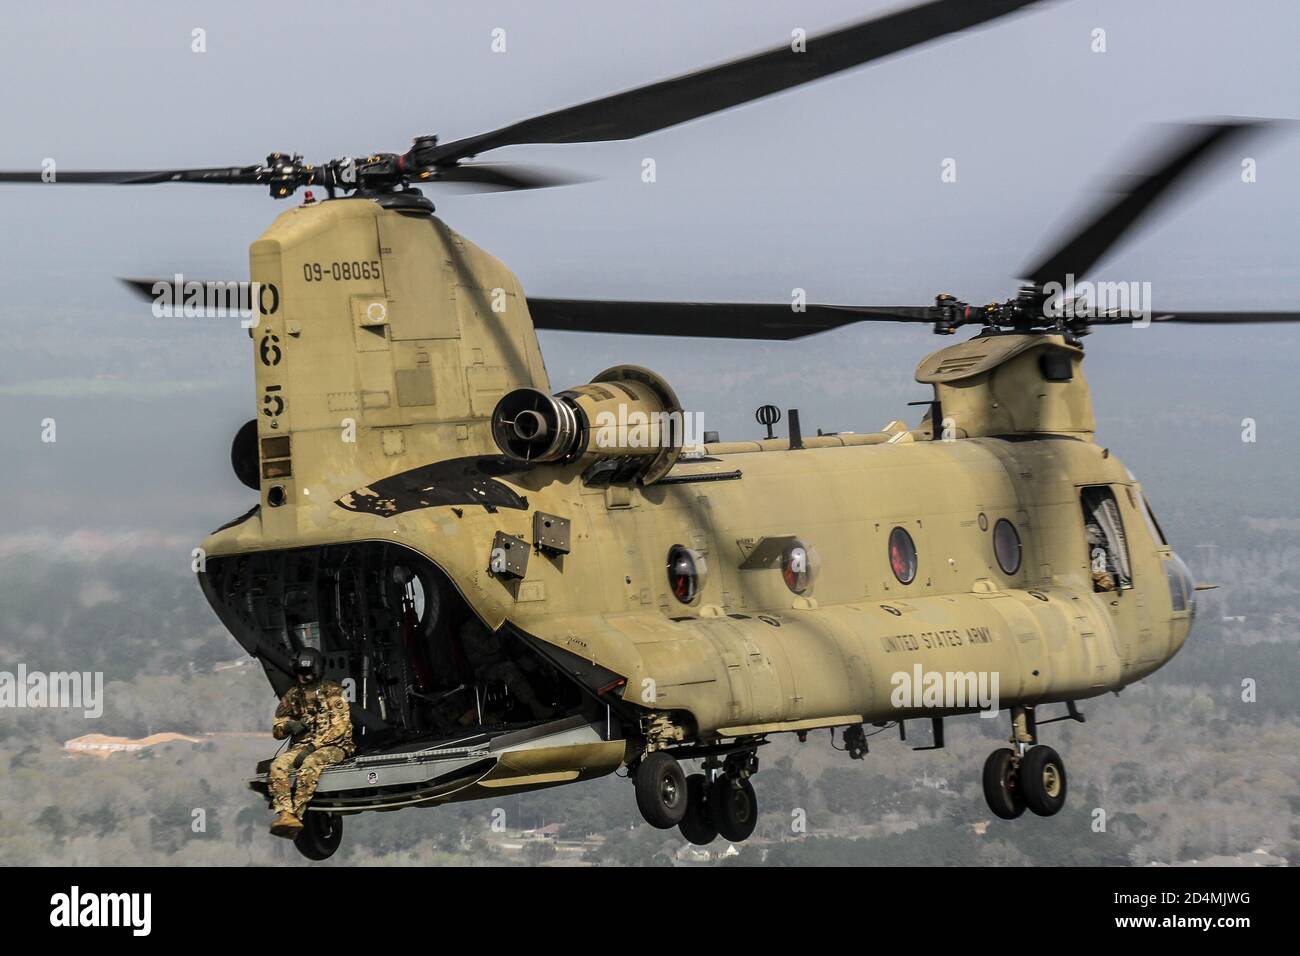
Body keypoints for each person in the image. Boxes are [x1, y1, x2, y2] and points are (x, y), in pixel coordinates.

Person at [267, 647, 354, 838]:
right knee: (278, 765)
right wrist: (290, 726)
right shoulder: (293, 696)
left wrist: (313, 747)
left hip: (333, 746)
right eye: (300, 673)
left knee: (310, 764)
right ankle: (285, 814)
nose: (304, 677)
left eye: (307, 673)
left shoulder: (333, 692)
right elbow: (277, 728)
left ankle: (296, 814)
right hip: (303, 747)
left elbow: (339, 728)